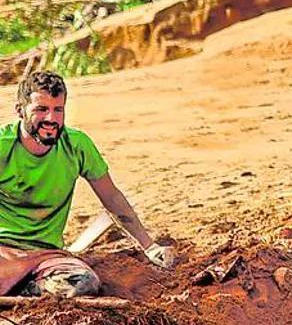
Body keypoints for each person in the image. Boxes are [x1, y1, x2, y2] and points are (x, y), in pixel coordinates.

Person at [0, 72, 176, 298]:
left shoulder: (77, 145)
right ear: (20, 110)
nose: (51, 119)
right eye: (41, 109)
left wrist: (150, 247)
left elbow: (112, 198)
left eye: (58, 109)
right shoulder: (4, 147)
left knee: (84, 283)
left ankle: (28, 290)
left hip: (47, 256)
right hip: (3, 251)